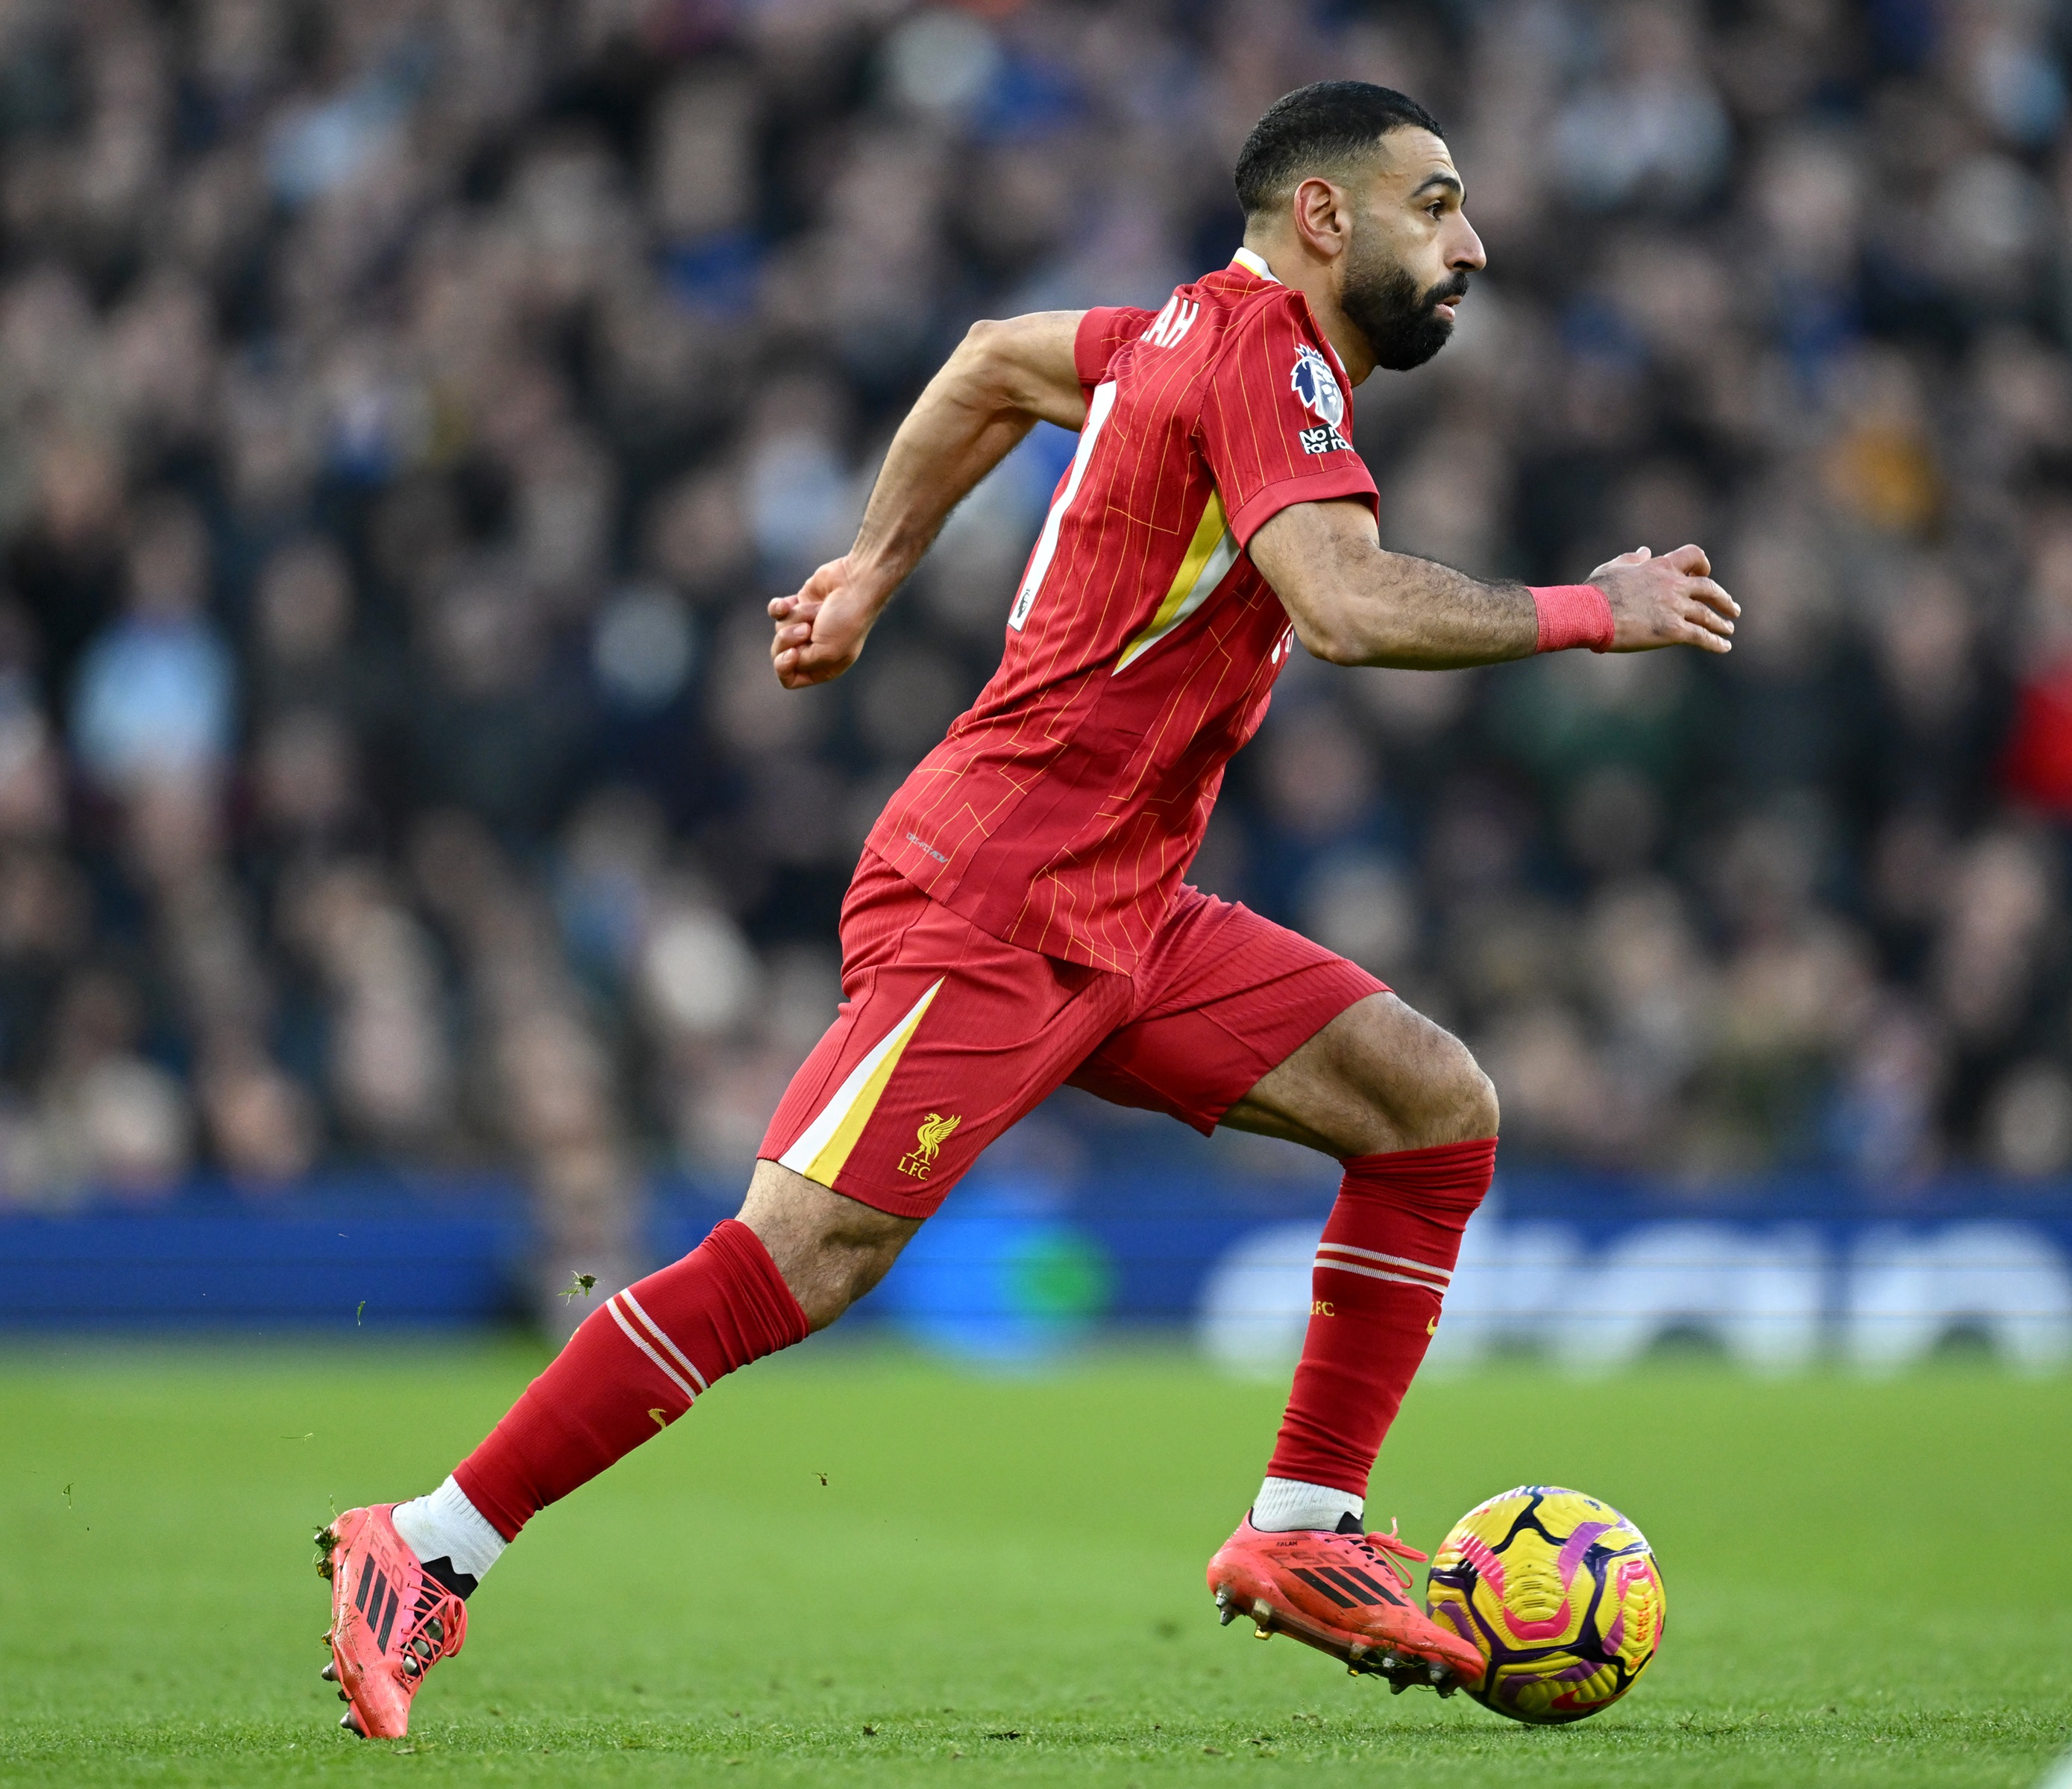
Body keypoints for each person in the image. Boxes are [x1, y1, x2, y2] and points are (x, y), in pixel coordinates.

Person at [314, 81, 1738, 1738]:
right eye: (1436, 204)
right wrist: (1594, 607)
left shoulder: (1175, 334)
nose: (1471, 242)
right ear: (1324, 218)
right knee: (802, 1255)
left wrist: (867, 567)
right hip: (994, 893)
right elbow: (1341, 607)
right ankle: (421, 1543)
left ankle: (1300, 1531)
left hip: (1122, 900)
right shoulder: (1265, 354)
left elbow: (992, 355)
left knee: (1430, 1109)